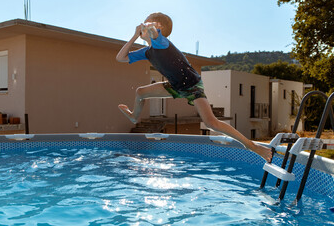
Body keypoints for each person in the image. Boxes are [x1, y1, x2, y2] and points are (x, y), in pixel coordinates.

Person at [116, 12, 272, 162]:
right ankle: (134, 116)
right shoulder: (146, 52)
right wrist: (135, 35)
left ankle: (251, 145)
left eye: (147, 22)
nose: (143, 25)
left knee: (211, 123)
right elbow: (120, 58)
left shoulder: (161, 42)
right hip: (175, 86)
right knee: (140, 92)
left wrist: (148, 27)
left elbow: (152, 32)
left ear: (159, 28)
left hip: (192, 85)